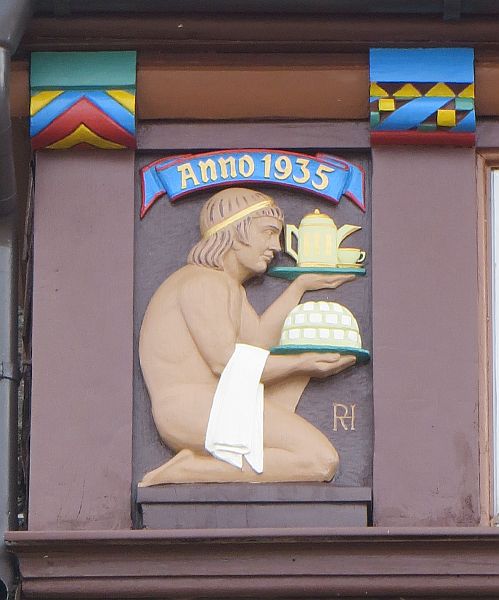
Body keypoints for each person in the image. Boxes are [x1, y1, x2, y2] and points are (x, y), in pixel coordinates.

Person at [138, 187, 355, 486]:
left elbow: (258, 346)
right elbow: (225, 362)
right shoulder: (203, 282)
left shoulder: (228, 287)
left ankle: (200, 466)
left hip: (218, 403)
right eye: (267, 232)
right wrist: (301, 363)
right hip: (194, 409)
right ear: (235, 232)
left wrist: (299, 286)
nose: (276, 246)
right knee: (320, 460)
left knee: (311, 443)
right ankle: (187, 470)